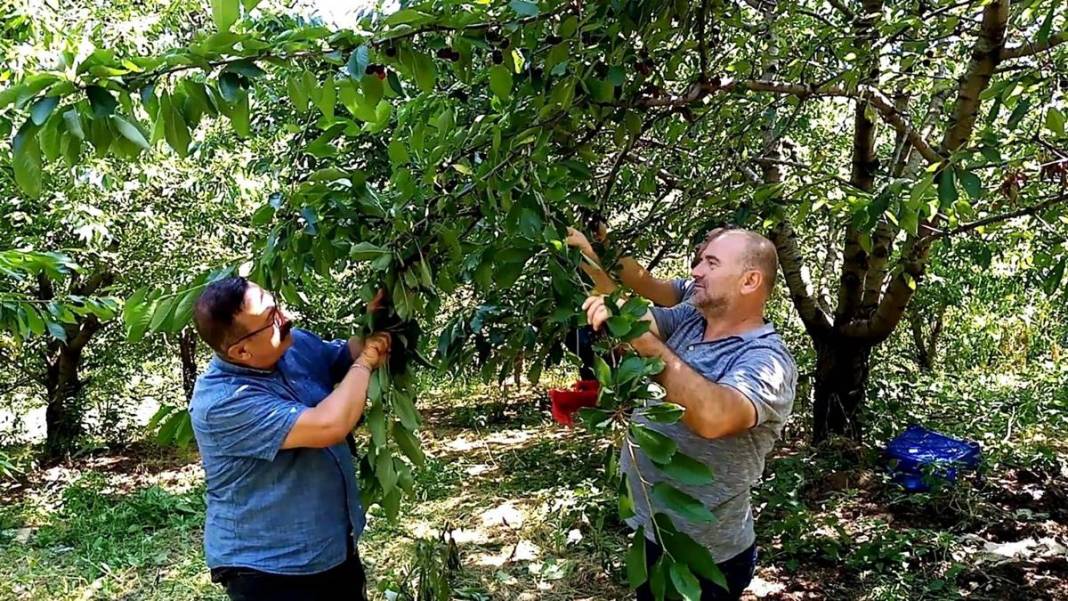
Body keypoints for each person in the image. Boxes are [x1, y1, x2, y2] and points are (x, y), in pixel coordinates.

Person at [579, 228, 797, 601]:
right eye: (699, 260)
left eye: (710, 262)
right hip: (653, 531)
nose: (695, 270)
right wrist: (589, 255)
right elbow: (633, 318)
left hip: (707, 555)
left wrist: (646, 345)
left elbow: (713, 417)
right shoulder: (691, 317)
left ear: (750, 280)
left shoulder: (767, 361)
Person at [188, 276, 391, 601]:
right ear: (240, 350)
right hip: (271, 572)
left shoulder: (292, 345)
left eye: (277, 307)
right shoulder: (222, 403)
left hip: (331, 551)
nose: (287, 319)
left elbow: (343, 357)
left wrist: (375, 322)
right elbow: (329, 424)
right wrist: (367, 361)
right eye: (272, 320)